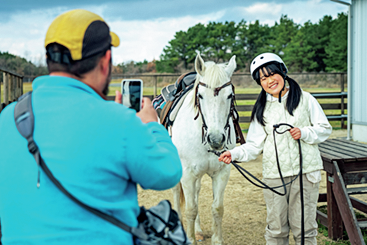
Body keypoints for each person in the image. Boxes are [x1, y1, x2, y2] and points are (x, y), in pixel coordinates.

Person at [0, 9, 182, 245]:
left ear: (49, 61)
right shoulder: (120, 122)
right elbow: (168, 173)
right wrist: (151, 124)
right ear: (105, 62)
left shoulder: (7, 117)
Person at [218, 53, 332, 244]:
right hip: (274, 178)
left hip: (305, 174)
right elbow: (254, 145)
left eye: (272, 74)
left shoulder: (306, 99)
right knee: (276, 229)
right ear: (259, 83)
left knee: (305, 229)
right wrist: (234, 153)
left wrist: (304, 132)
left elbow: (325, 129)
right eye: (263, 78)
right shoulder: (261, 109)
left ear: (283, 72)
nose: (269, 80)